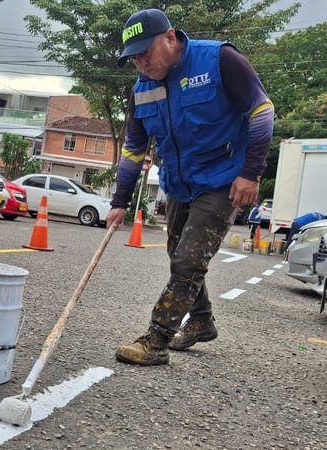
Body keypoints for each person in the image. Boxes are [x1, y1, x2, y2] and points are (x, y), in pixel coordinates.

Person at [107, 9, 275, 365]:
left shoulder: (219, 59)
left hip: (222, 181)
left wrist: (251, 172)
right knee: (178, 256)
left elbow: (261, 112)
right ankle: (201, 321)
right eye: (133, 57)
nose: (141, 63)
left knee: (187, 261)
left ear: (169, 37)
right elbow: (134, 151)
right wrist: (119, 201)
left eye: (145, 52)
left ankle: (156, 340)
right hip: (179, 184)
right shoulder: (142, 91)